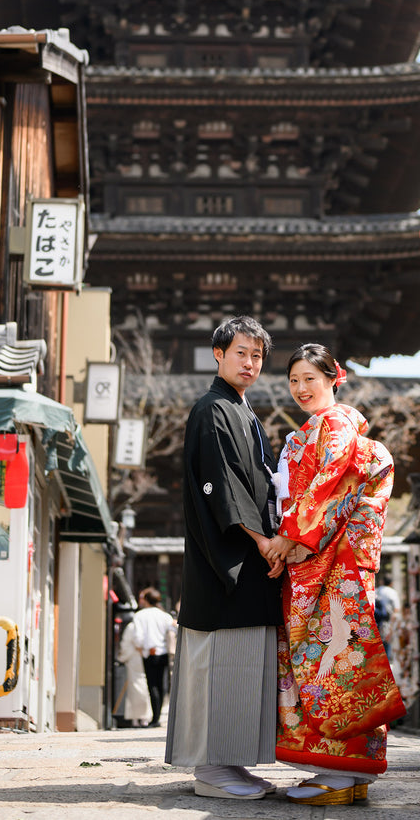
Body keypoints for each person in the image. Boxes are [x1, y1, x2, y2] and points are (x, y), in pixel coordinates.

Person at [264, 344, 405, 806]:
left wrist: (289, 538)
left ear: (333, 378)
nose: (302, 388)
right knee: (328, 661)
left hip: (329, 558)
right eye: (294, 381)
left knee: (335, 661)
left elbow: (331, 480)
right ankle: (345, 770)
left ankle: (341, 771)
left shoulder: (337, 422)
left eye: (311, 378)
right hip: (317, 557)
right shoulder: (309, 430)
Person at [165, 316, 283, 800]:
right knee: (222, 660)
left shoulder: (243, 410)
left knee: (245, 659)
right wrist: (260, 541)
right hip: (226, 559)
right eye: (241, 353)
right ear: (218, 354)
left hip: (254, 557)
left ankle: (231, 759)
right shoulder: (213, 409)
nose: (250, 363)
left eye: (257, 356)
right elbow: (225, 488)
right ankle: (211, 767)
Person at [132, 587, 176, 728]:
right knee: (161, 684)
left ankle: (155, 718)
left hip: (148, 652)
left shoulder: (140, 615)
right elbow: (172, 631)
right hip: (163, 652)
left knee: (152, 685)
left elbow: (138, 636)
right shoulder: (164, 616)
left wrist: (140, 647)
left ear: (146, 599)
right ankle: (157, 716)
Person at [116, 612, 153, 727]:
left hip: (133, 659)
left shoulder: (132, 627)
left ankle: (136, 718)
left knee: (135, 686)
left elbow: (125, 643)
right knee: (145, 685)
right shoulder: (146, 625)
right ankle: (145, 717)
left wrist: (122, 657)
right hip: (145, 657)